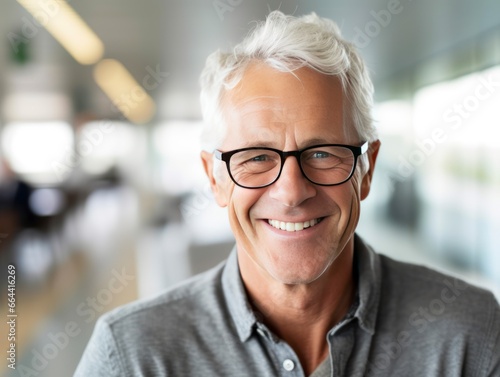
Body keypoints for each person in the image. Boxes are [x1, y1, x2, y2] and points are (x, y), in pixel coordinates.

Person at [74, 11, 500, 377]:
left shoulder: (471, 338)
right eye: (256, 156)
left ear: (366, 169)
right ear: (215, 178)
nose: (292, 191)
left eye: (321, 153)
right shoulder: (130, 357)